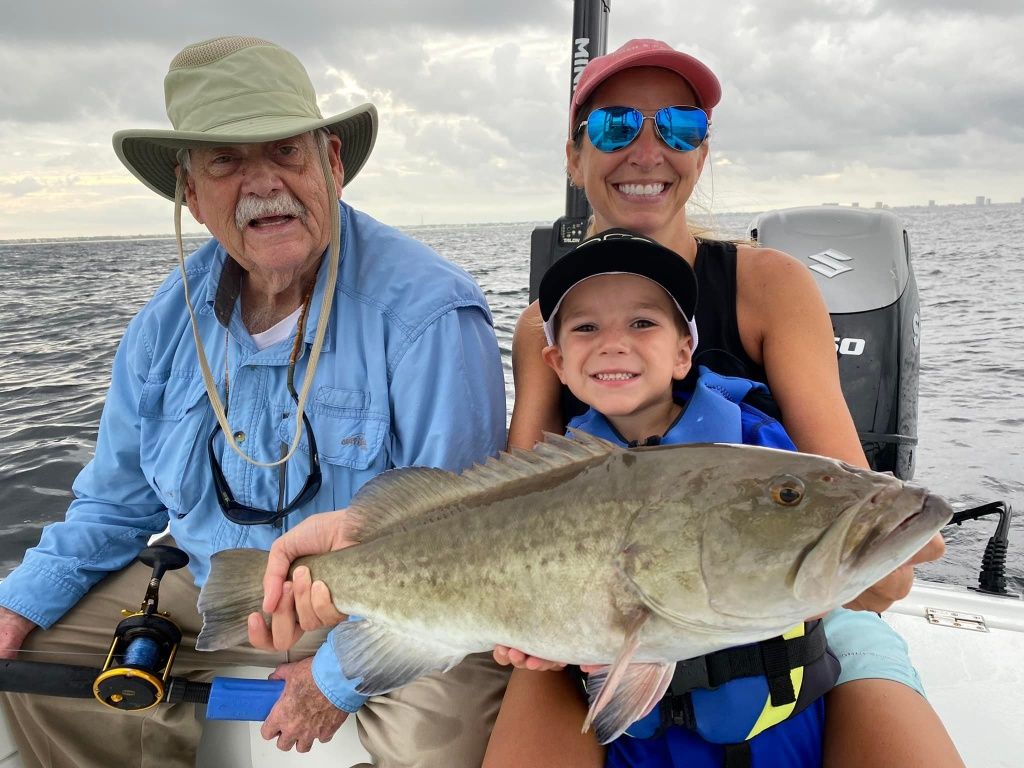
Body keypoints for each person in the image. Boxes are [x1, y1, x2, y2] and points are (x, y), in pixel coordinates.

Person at [0, 36, 509, 768]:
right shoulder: (163, 326)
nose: (262, 183)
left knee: (447, 736)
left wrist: (336, 676)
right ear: (189, 193)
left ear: (332, 163)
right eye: (225, 162)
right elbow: (115, 505)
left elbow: (452, 551)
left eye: (285, 153)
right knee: (43, 663)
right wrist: (21, 599)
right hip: (212, 585)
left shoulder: (429, 312)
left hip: (384, 603)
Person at [483, 38, 959, 768]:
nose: (649, 149)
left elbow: (871, 549)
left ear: (703, 153)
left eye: (680, 127)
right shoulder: (538, 323)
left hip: (793, 616)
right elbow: (512, 516)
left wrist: (876, 555)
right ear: (574, 157)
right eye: (615, 126)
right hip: (598, 622)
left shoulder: (770, 285)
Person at [489, 227, 938, 767]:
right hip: (640, 729)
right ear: (556, 364)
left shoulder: (758, 444)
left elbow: (866, 545)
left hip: (770, 722)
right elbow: (504, 535)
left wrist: (888, 543)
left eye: (642, 323)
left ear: (685, 353)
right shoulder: (554, 467)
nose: (613, 342)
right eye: (586, 327)